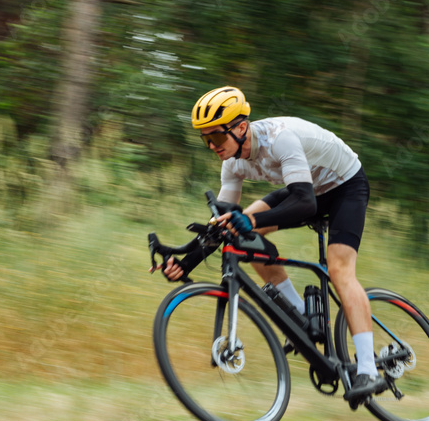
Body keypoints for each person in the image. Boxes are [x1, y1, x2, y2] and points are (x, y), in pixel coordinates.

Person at [162, 86, 387, 402]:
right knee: (240, 237)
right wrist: (186, 261)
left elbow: (305, 203)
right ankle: (300, 317)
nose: (212, 146)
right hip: (306, 187)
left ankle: (368, 369)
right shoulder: (232, 162)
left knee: (339, 269)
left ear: (241, 127)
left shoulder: (280, 139)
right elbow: (223, 225)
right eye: (206, 139)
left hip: (343, 186)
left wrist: (251, 221)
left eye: (217, 137)